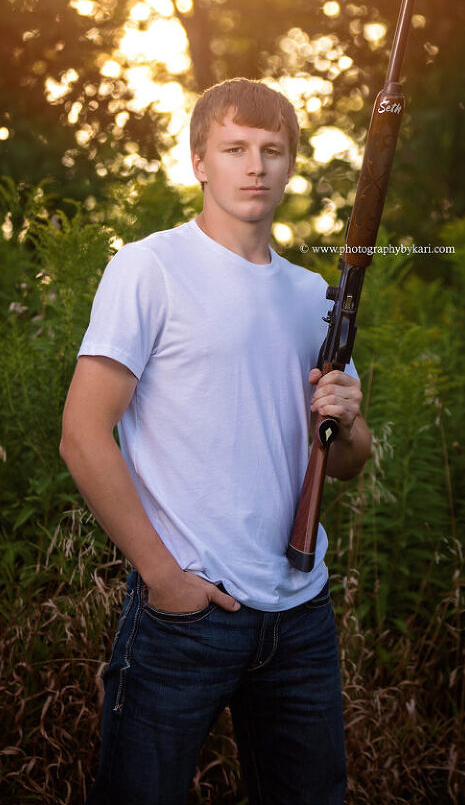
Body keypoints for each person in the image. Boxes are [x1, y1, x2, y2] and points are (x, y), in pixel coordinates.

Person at [60, 77, 372, 805]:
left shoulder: (313, 297)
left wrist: (350, 420)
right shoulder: (151, 266)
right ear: (200, 162)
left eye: (271, 150)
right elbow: (82, 434)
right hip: (187, 617)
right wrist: (163, 579)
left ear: (292, 165)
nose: (254, 166)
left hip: (300, 619)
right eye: (234, 148)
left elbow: (351, 462)